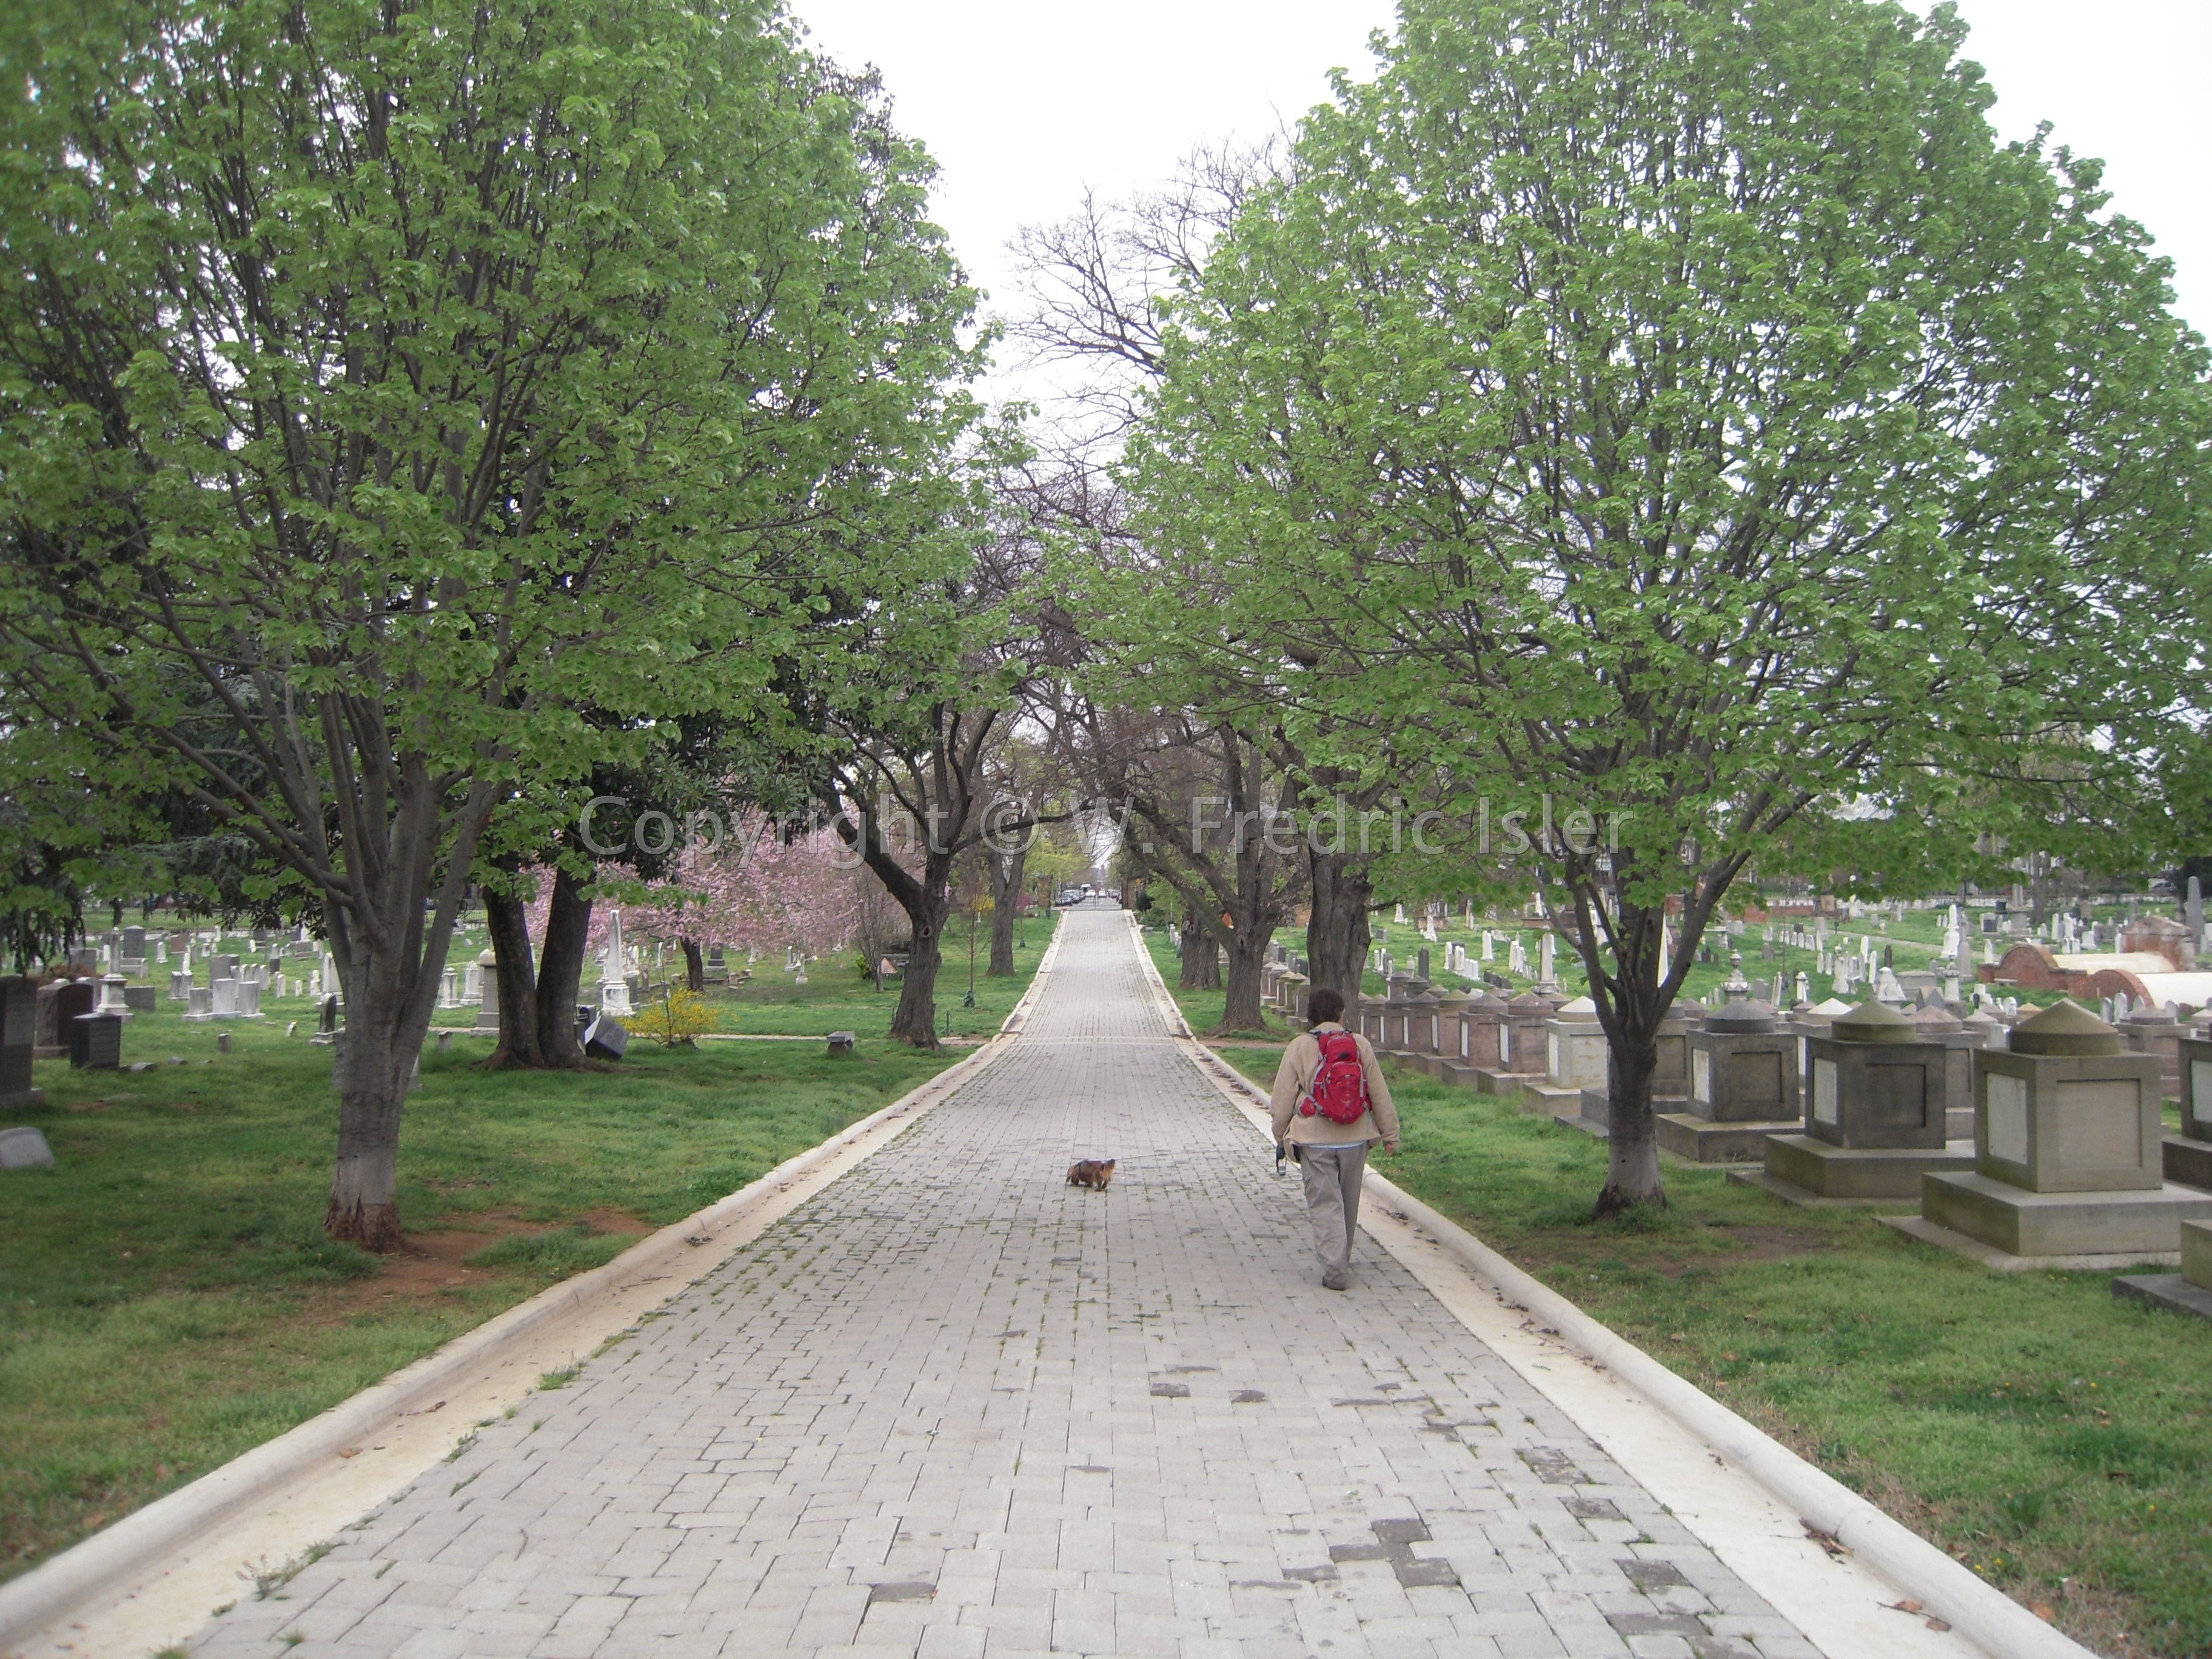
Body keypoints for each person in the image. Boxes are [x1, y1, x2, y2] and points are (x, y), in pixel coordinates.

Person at [1268, 988, 1399, 1290]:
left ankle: (1335, 1269)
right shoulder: (1359, 1045)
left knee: (1326, 1204)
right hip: (1356, 1138)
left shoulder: (1299, 1047)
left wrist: (1280, 1135)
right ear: (1341, 1014)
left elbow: (1282, 1099)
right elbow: (1379, 1093)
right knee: (1348, 1203)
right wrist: (1390, 1134)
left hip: (1314, 1139)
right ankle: (1342, 1259)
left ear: (1310, 1016)